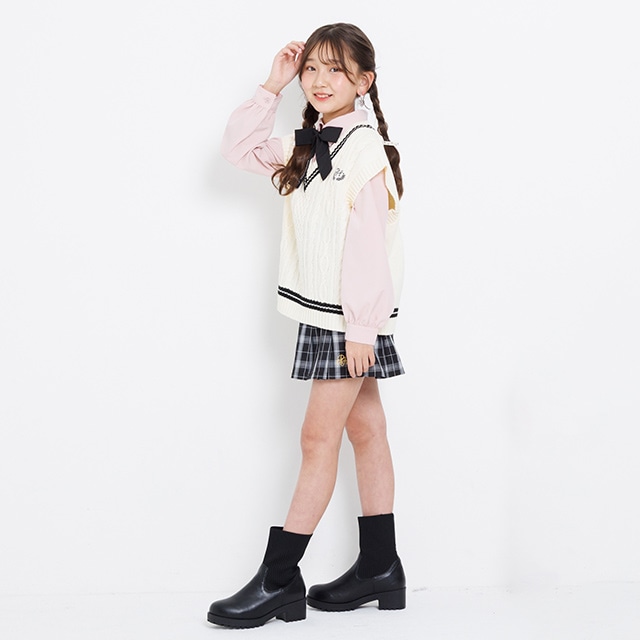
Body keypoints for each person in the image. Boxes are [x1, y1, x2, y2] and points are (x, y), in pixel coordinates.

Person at [207, 22, 406, 629]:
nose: (319, 80)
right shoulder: (308, 145)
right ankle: (381, 566)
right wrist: (272, 85)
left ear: (364, 82)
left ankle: (279, 578)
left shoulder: (364, 152)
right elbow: (237, 148)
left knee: (317, 441)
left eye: (335, 70)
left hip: (347, 319)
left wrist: (362, 330)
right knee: (366, 430)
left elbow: (369, 249)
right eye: (311, 68)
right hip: (328, 313)